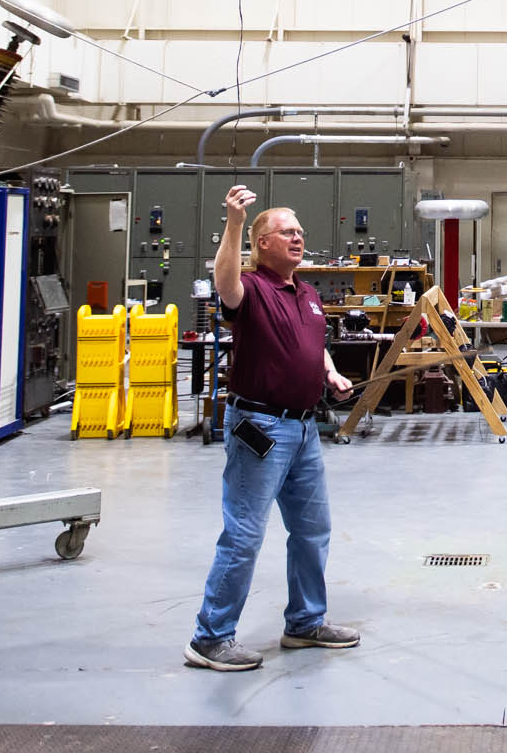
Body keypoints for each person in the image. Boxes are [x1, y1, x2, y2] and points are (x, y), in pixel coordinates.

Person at [187, 185, 360, 672]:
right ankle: (210, 637)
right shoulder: (250, 288)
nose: (298, 238)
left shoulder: (306, 294)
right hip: (259, 426)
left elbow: (313, 344)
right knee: (244, 533)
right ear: (263, 242)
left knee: (311, 530)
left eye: (301, 232)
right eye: (288, 233)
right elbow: (224, 282)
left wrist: (329, 372)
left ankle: (304, 623)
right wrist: (235, 222)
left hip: (304, 429)